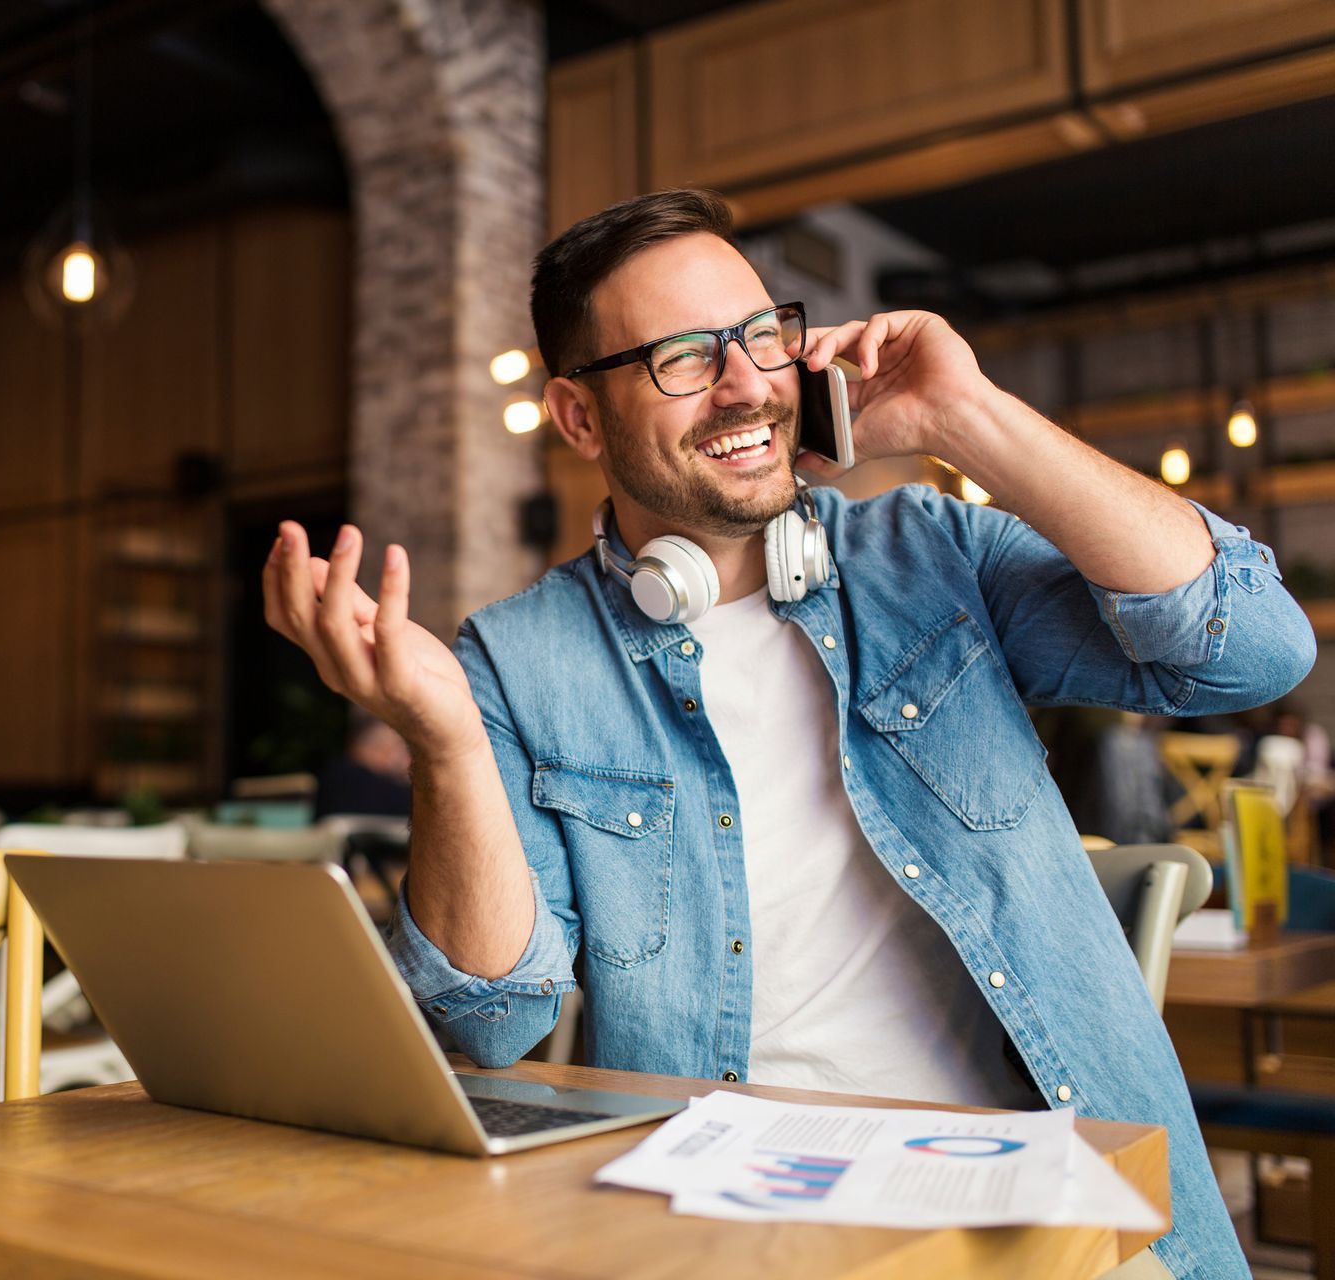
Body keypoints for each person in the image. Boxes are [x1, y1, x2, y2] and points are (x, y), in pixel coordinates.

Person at [261, 190, 1316, 1279]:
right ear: (578, 418)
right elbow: (489, 1020)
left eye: (762, 335)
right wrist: (447, 744)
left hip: (1050, 1209)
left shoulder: (929, 555)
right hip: (729, 1231)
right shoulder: (519, 662)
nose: (747, 384)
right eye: (683, 356)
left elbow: (1253, 650)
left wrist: (968, 417)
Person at [312, 708, 413, 820]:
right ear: (382, 749)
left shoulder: (336, 776)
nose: (408, 758)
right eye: (402, 748)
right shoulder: (348, 779)